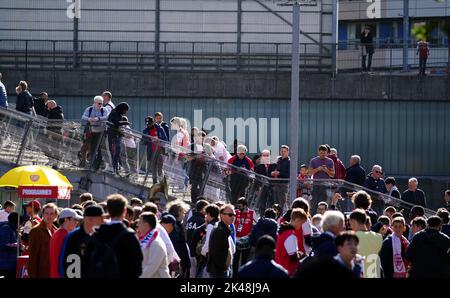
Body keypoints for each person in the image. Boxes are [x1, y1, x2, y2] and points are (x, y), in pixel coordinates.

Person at [86, 194, 143, 278]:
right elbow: (137, 268)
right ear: (124, 211)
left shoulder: (96, 234)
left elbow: (87, 262)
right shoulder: (130, 236)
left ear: (108, 210)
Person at [61, 205, 105, 278]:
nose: (103, 221)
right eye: (100, 219)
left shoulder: (102, 236)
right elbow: (69, 266)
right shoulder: (74, 237)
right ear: (90, 219)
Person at [349, 209, 383, 278]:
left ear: (354, 221)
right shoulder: (378, 237)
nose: (350, 226)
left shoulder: (352, 238)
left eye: (350, 223)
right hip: (374, 275)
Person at [50, 208, 83, 278]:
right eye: (74, 219)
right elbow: (62, 260)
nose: (76, 222)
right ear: (66, 220)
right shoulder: (64, 236)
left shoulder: (58, 233)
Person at [28, 203, 58, 278]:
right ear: (43, 214)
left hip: (54, 272)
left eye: (51, 213)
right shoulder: (36, 231)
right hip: (41, 272)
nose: (49, 216)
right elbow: (32, 257)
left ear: (55, 216)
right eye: (46, 213)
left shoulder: (56, 231)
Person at [137, 212, 170, 278]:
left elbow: (151, 266)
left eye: (140, 222)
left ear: (146, 225)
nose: (137, 224)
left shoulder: (156, 243)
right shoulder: (144, 241)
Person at [275, 208, 308, 276]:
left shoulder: (282, 231)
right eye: (301, 223)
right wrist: (302, 255)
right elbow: (293, 257)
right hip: (288, 271)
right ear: (297, 220)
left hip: (280, 267)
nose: (301, 226)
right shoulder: (291, 235)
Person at [207, 204, 236, 278]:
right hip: (218, 271)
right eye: (230, 215)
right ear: (221, 215)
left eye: (234, 215)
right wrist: (223, 266)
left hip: (222, 270)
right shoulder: (219, 230)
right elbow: (215, 251)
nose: (232, 217)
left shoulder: (224, 228)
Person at [79, 96, 108, 169]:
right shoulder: (89, 109)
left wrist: (98, 119)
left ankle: (93, 163)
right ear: (94, 103)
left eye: (101, 103)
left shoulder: (104, 109)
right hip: (89, 130)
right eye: (99, 103)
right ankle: (84, 161)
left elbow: (107, 117)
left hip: (99, 131)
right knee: (85, 145)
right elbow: (83, 117)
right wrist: (89, 119)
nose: (100, 105)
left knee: (95, 147)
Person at [308, 145, 335, 215]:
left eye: (324, 153)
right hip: (316, 185)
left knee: (325, 204)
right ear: (318, 152)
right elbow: (309, 173)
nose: (322, 154)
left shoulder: (330, 161)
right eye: (321, 153)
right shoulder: (313, 160)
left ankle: (325, 218)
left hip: (326, 186)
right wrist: (318, 169)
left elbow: (332, 174)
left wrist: (326, 170)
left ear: (327, 153)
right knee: (314, 204)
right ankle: (313, 217)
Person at [167, 200, 191, 278]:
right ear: (179, 212)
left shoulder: (175, 224)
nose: (184, 215)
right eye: (183, 213)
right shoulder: (175, 226)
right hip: (175, 263)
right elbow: (177, 246)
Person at [233, 197, 257, 276]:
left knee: (244, 261)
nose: (238, 208)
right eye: (238, 206)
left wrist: (252, 232)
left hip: (246, 240)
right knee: (235, 260)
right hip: (236, 239)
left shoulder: (252, 213)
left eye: (240, 206)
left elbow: (257, 224)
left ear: (245, 205)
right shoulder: (236, 212)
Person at [142, 116, 168, 184]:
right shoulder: (145, 131)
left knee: (160, 168)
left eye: (150, 123)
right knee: (153, 168)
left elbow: (165, 140)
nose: (148, 125)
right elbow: (143, 141)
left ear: (153, 122)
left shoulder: (160, 129)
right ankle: (154, 183)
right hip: (151, 151)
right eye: (147, 124)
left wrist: (158, 140)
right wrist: (150, 140)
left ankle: (162, 183)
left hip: (160, 151)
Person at [186, 199, 208, 278]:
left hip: (188, 248)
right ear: (203, 209)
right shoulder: (202, 221)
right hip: (197, 252)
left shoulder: (190, 220)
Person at [107, 102, 130, 175]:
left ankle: (116, 168)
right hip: (114, 135)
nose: (125, 112)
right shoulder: (114, 113)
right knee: (116, 152)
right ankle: (114, 168)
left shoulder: (118, 113)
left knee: (118, 152)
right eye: (124, 110)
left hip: (117, 134)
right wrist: (125, 123)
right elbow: (116, 122)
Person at [254, 150, 277, 215]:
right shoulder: (259, 166)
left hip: (272, 188)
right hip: (262, 188)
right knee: (262, 203)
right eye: (264, 155)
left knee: (272, 203)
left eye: (267, 155)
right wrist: (257, 189)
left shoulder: (274, 165)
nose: (266, 157)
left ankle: (272, 216)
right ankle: (262, 216)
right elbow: (256, 179)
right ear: (261, 157)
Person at [271, 145, 290, 210]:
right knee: (276, 203)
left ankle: (281, 218)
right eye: (282, 151)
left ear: (288, 152)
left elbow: (289, 175)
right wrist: (273, 173)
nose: (283, 153)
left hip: (283, 185)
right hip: (276, 184)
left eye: (284, 151)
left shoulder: (289, 162)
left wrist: (279, 173)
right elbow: (276, 169)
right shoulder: (279, 160)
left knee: (282, 203)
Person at [0, 212, 19, 279]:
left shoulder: (11, 229)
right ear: (15, 222)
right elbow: (3, 245)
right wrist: (17, 245)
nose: (19, 225)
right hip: (5, 264)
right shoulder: (6, 228)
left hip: (9, 263)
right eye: (19, 223)